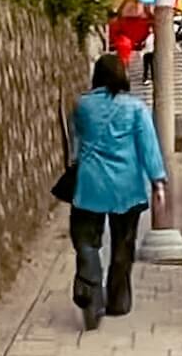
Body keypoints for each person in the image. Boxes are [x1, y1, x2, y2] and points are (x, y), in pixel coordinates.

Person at [70, 53, 167, 330]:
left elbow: (74, 145)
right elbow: (148, 147)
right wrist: (158, 180)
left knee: (85, 239)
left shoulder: (81, 106)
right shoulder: (136, 109)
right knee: (124, 245)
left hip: (90, 185)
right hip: (127, 188)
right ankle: (118, 301)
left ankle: (91, 285)